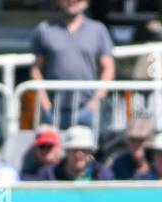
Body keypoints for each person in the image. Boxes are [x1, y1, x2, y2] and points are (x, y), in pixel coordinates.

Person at [29, 0, 115, 130]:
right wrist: (45, 103)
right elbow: (36, 69)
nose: (72, 2)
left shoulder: (98, 30)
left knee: (86, 150)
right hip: (53, 110)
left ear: (86, 2)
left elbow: (108, 68)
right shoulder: (44, 29)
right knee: (53, 150)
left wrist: (95, 102)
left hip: (86, 109)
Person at [33, 125, 113, 181]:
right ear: (66, 151)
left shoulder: (103, 175)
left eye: (84, 150)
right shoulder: (48, 175)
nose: (79, 154)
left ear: (90, 152)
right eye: (74, 149)